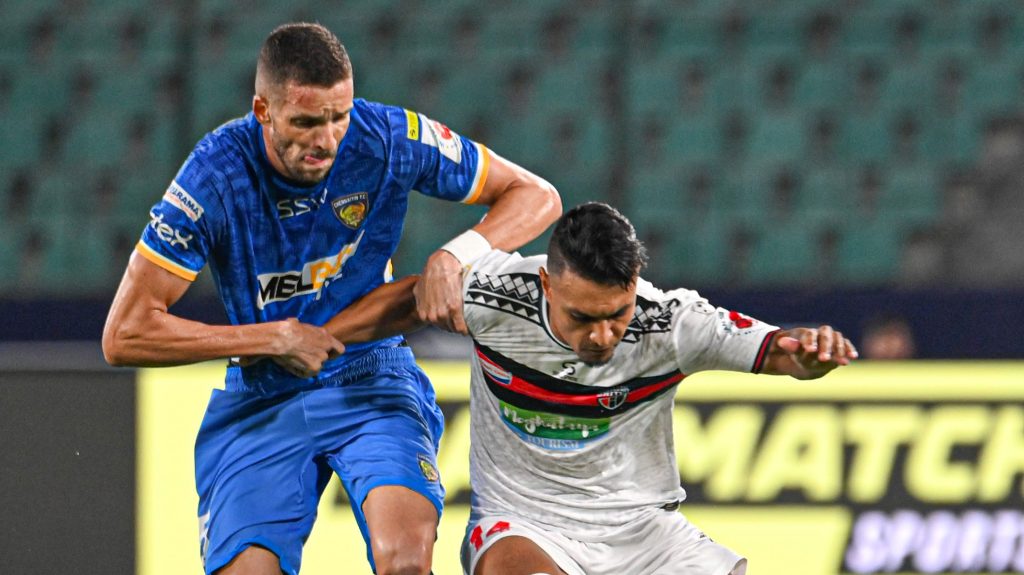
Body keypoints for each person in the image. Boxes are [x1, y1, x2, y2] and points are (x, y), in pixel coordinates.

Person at [101, 22, 560, 575]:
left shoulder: (388, 136)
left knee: (406, 560)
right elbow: (124, 334)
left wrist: (455, 255)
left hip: (370, 373)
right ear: (263, 111)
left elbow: (536, 194)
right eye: (305, 121)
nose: (326, 139)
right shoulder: (214, 175)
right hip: (262, 391)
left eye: (338, 116)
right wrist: (271, 337)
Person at [331, 202, 858, 575]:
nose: (604, 335)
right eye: (584, 317)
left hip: (642, 531)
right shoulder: (492, 298)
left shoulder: (671, 324)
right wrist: (320, 338)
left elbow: (779, 352)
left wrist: (809, 353)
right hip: (524, 525)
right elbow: (406, 299)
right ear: (546, 283)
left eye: (617, 314)